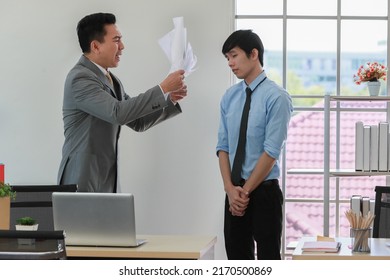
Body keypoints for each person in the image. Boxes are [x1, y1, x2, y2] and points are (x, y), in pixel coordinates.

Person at [57, 13, 187, 193]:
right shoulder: (80, 78)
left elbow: (137, 121)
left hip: (106, 178)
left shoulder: (112, 80)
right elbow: (118, 113)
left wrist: (169, 99)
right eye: (116, 40)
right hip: (82, 178)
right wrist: (162, 88)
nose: (122, 46)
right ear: (95, 46)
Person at [216, 30, 293, 260]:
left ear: (253, 54)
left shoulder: (277, 97)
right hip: (233, 193)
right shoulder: (229, 97)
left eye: (234, 55)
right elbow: (222, 147)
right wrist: (230, 190)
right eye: (227, 58)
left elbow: (271, 152)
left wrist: (245, 192)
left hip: (263, 193)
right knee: (237, 260)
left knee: (268, 260)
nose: (230, 63)